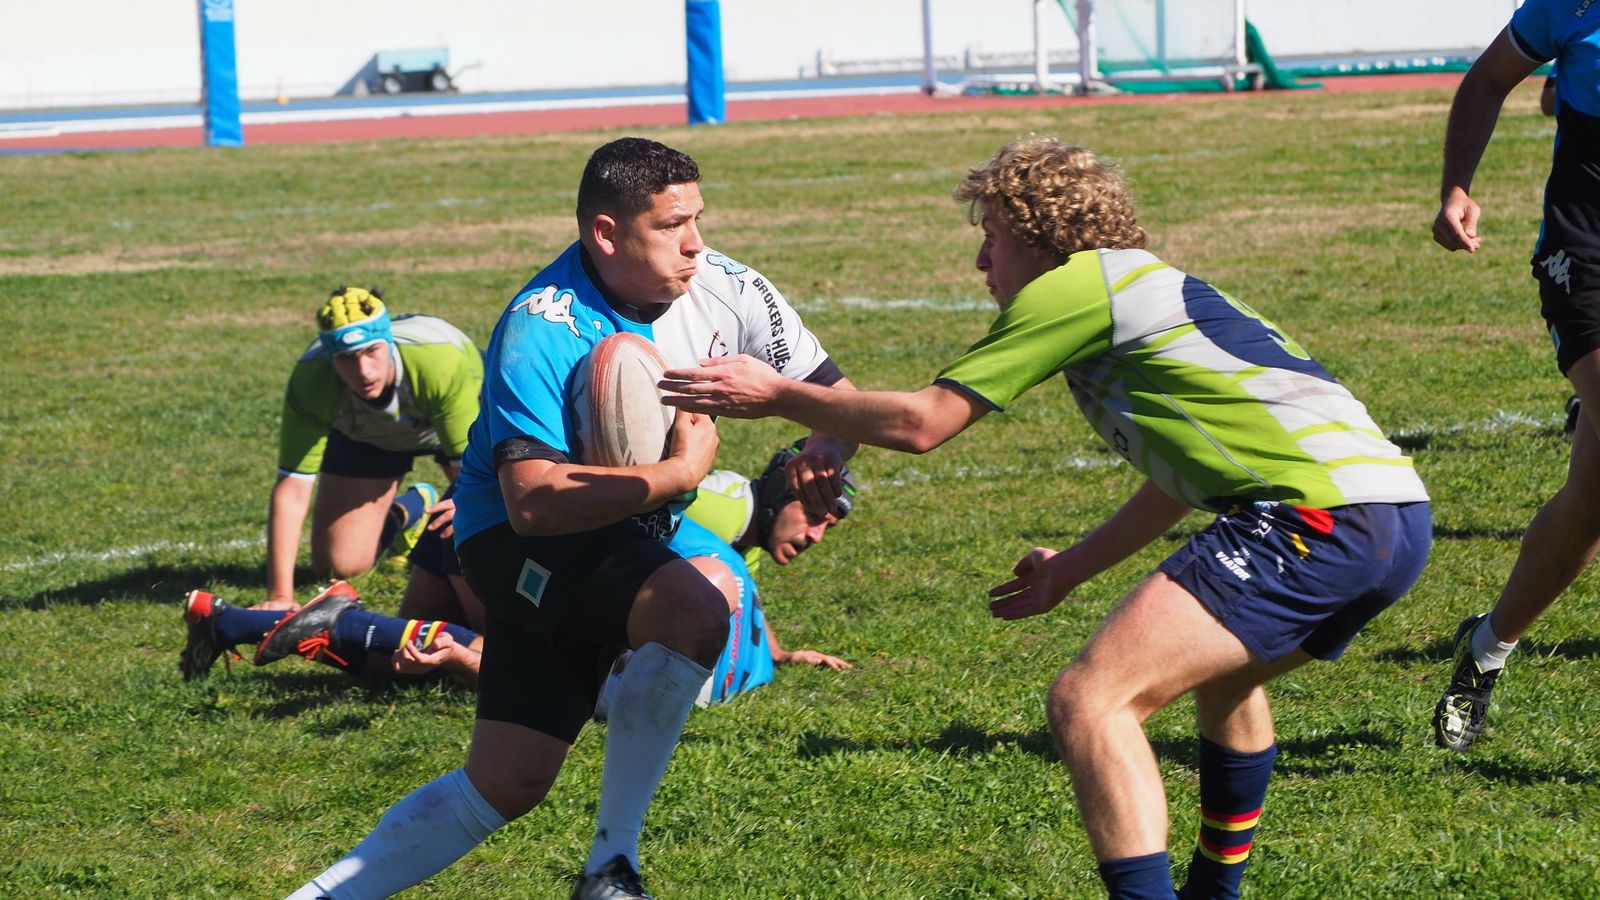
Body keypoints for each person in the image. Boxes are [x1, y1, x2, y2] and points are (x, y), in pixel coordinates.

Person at [663, 136, 1432, 899]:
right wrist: (1070, 568)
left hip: (1311, 520)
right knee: (1225, 682)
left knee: (1089, 701)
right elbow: (1178, 481)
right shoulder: (1141, 287)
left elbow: (924, 423)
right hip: (1393, 518)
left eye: (991, 240)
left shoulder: (1079, 288)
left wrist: (778, 395)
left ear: (1039, 236)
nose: (981, 264)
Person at [285, 137, 855, 900]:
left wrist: (825, 448)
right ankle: (611, 870)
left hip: (620, 535)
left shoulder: (728, 287)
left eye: (699, 218)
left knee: (500, 786)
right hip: (514, 542)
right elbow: (533, 499)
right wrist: (679, 474)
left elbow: (833, 395)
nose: (696, 243)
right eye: (671, 226)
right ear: (607, 234)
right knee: (694, 609)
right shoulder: (542, 325)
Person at [178, 443, 858, 696]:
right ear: (781, 490)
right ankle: (319, 624)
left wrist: (785, 652)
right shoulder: (722, 513)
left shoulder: (728, 562)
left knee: (417, 653)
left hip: (481, 528)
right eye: (821, 513)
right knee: (505, 658)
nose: (822, 533)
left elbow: (733, 592)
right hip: (503, 539)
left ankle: (236, 623)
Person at [1430, 4, 1600, 753]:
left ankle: (1486, 650)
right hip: (1585, 260)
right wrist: (1454, 187)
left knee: (1591, 502)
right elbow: (1488, 81)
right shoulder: (1572, 6)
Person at [263, 286, 483, 612]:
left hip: (454, 421)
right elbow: (292, 489)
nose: (363, 371)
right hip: (371, 437)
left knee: (467, 532)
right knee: (339, 566)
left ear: (389, 340)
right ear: (329, 358)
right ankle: (409, 511)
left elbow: (468, 478)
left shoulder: (439, 360)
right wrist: (280, 597)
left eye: (372, 352)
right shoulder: (312, 380)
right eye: (347, 359)